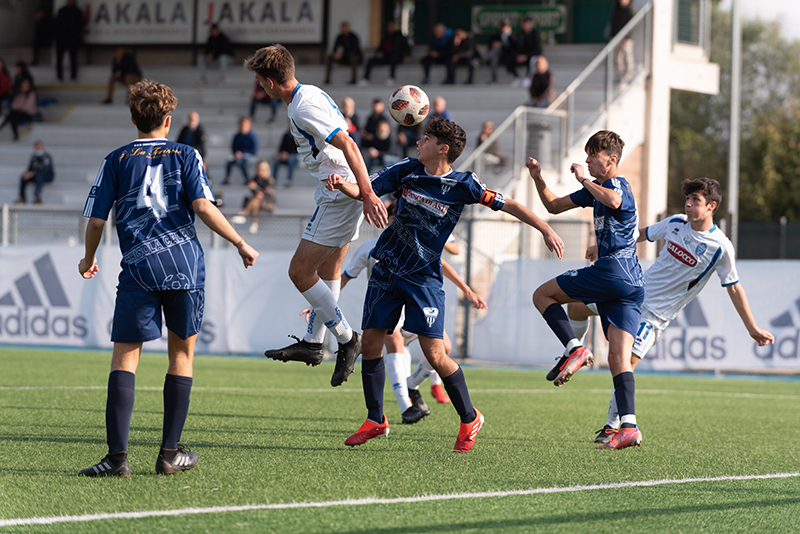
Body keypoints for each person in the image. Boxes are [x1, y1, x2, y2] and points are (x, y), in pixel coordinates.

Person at [327, 117, 564, 451]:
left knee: (436, 354)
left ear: (443, 148)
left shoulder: (464, 184)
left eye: (426, 139)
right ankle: (376, 419)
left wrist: (545, 228)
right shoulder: (406, 170)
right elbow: (365, 189)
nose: (418, 142)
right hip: (387, 270)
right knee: (371, 343)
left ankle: (470, 417)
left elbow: (508, 204)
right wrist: (343, 185)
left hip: (423, 278)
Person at [77, 79, 258, 478]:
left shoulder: (116, 159)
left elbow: (96, 221)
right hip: (185, 267)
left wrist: (88, 258)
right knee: (181, 356)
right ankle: (169, 455)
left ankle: (117, 459)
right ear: (169, 119)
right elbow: (203, 207)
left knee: (125, 358)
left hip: (138, 268)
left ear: (132, 119)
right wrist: (240, 242)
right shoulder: (186, 154)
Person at [559, 177, 775, 445]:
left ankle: (613, 425)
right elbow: (640, 234)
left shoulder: (720, 247)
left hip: (653, 316)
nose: (688, 204)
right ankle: (577, 353)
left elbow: (734, 288)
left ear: (711, 206)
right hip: (631, 295)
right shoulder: (675, 223)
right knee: (575, 307)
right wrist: (603, 246)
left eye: (696, 200)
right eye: (688, 199)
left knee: (624, 364)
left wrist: (752, 328)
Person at [244, 44, 388, 387]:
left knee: (299, 271)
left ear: (269, 82)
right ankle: (313, 342)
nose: (260, 88)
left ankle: (347, 338)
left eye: (260, 82)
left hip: (338, 192)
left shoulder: (302, 106)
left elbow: (348, 144)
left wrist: (367, 193)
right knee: (329, 271)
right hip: (344, 187)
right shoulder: (308, 93)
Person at [528, 130, 645, 450]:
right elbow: (553, 206)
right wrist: (538, 179)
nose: (588, 160)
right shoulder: (597, 190)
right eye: (588, 154)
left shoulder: (616, 185)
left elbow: (614, 200)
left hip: (613, 272)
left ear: (612, 159)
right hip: (630, 283)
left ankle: (574, 348)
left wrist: (583, 179)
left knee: (542, 295)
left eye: (594, 155)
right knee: (618, 358)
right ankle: (629, 426)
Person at [335, 201, 488, 424]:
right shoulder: (369, 247)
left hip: (415, 306)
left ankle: (411, 384)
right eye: (395, 217)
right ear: (386, 219)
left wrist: (467, 290)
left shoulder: (415, 242)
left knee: (444, 348)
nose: (400, 221)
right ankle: (406, 407)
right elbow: (345, 277)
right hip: (387, 308)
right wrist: (324, 303)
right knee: (395, 344)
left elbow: (442, 262)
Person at [232, 160, 276, 234]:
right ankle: (254, 223)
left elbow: (267, 192)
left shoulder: (270, 180)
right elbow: (254, 192)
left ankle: (244, 214)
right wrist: (253, 188)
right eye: (258, 169)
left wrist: (257, 188)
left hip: (267, 202)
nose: (260, 172)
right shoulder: (256, 178)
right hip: (257, 202)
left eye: (262, 170)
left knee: (257, 198)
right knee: (256, 200)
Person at [360, 20, 411, 86]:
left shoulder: (400, 37)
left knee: (393, 59)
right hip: (386, 56)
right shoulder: (385, 37)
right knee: (371, 60)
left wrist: (406, 55)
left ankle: (392, 78)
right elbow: (381, 47)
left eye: (392, 27)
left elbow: (407, 47)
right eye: (389, 27)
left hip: (396, 56)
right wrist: (379, 52)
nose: (391, 28)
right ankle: (366, 79)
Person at [16, 140, 54, 204]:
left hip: (46, 176)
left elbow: (46, 169)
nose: (37, 150)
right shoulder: (34, 157)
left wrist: (33, 173)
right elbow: (30, 168)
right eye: (36, 148)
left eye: (39, 148)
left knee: (39, 176)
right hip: (35, 175)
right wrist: (27, 173)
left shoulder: (47, 157)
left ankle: (37, 197)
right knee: (23, 177)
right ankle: (22, 198)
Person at [223, 117, 259, 185]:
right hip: (238, 156)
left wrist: (242, 153)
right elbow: (233, 148)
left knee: (241, 161)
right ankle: (227, 178)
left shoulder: (252, 137)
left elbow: (254, 150)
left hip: (250, 156)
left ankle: (247, 179)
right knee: (229, 161)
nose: (243, 127)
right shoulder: (237, 136)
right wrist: (236, 153)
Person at [55, 0, 84, 81]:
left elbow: (80, 26)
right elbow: (57, 25)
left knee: (73, 58)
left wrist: (76, 38)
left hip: (72, 40)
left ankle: (73, 77)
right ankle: (59, 77)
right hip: (62, 39)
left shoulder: (77, 12)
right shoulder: (62, 11)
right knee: (59, 58)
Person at [510, 16, 542, 87]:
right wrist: (518, 55)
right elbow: (516, 47)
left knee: (533, 59)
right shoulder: (520, 34)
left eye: (526, 23)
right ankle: (516, 78)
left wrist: (526, 56)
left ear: (530, 23)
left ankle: (529, 78)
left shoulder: (535, 33)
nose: (524, 25)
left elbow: (538, 50)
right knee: (509, 58)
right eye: (522, 24)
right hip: (521, 57)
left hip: (531, 56)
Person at [610, 0, 636, 83]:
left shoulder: (631, 10)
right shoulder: (616, 9)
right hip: (616, 37)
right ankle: (619, 77)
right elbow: (613, 23)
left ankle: (628, 77)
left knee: (627, 58)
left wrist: (627, 37)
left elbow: (632, 25)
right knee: (617, 58)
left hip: (626, 39)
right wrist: (612, 35)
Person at [272, 123, 299, 187]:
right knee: (276, 161)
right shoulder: (286, 136)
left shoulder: (299, 136)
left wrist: (288, 154)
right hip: (286, 156)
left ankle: (289, 180)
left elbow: (300, 149)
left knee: (291, 159)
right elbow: (281, 148)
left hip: (296, 156)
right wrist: (282, 153)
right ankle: (273, 180)